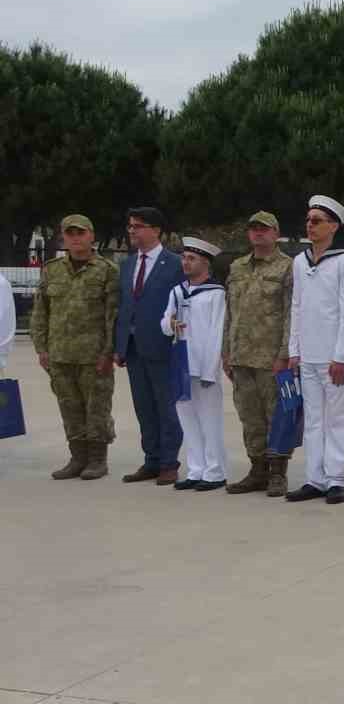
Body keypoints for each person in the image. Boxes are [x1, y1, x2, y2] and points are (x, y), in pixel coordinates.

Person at [285, 195, 344, 504]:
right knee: (314, 419)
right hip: (308, 355)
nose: (310, 225)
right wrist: (294, 349)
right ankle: (314, 478)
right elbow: (297, 306)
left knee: (338, 418)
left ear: (333, 227)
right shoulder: (299, 261)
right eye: (308, 220)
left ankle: (337, 479)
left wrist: (341, 356)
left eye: (316, 221)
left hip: (334, 357)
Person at [33, 215, 119, 480]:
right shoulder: (52, 269)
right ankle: (77, 457)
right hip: (60, 354)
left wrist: (108, 352)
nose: (75, 238)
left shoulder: (106, 270)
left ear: (91, 236)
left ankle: (97, 459)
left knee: (97, 409)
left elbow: (112, 316)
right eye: (70, 233)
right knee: (69, 408)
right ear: (63, 237)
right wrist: (42, 348)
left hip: (93, 356)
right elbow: (40, 311)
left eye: (80, 233)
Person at [222, 211, 295, 496]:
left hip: (271, 359)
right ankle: (257, 469)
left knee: (277, 416)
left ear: (276, 233)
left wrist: (285, 354)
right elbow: (230, 313)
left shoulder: (287, 267)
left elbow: (291, 313)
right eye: (253, 229)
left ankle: (278, 472)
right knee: (249, 417)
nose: (258, 233)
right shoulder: (237, 267)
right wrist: (226, 351)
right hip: (241, 356)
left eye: (264, 229)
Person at [115, 206, 185, 484]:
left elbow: (183, 306)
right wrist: (119, 345)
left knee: (166, 407)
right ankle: (151, 460)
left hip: (163, 346)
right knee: (143, 407)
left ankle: (169, 462)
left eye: (138, 226)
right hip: (133, 347)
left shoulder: (175, 264)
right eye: (130, 226)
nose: (132, 230)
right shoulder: (128, 264)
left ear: (156, 230)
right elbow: (123, 306)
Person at [161, 237, 228, 491]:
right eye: (184, 258)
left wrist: (211, 369)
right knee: (187, 418)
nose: (185, 263)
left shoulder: (216, 293)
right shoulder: (177, 291)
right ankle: (195, 469)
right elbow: (165, 322)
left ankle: (214, 471)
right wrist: (170, 325)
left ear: (206, 263)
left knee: (209, 420)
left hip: (203, 365)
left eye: (192, 259)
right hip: (181, 361)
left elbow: (217, 332)